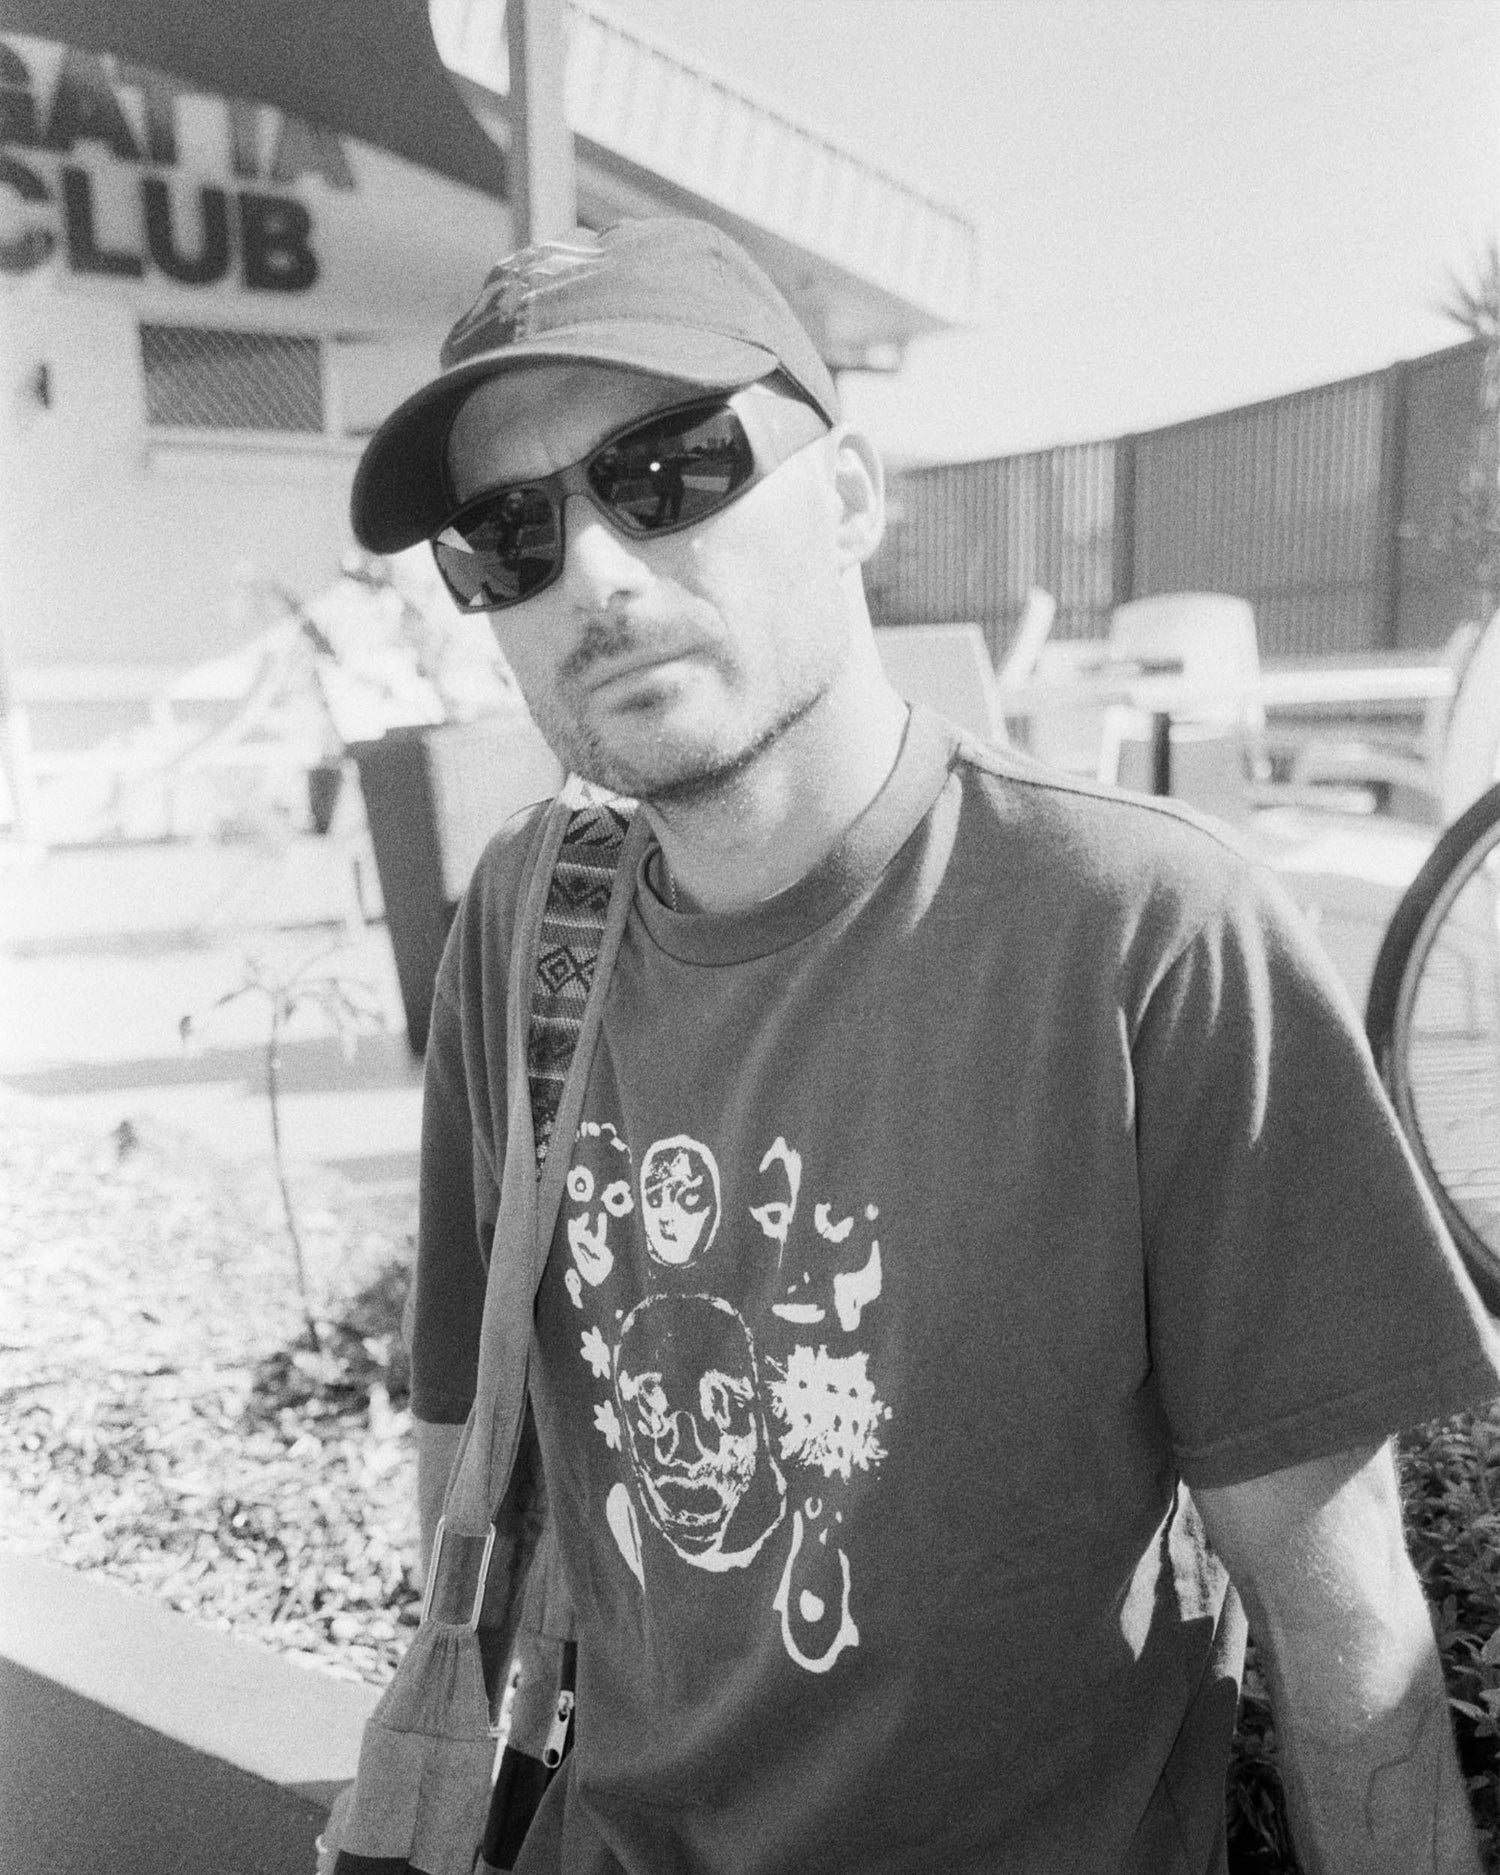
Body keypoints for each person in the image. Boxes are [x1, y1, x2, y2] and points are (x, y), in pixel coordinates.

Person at [349, 216, 1500, 1874]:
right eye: (507, 536)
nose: (592, 576)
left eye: (665, 472)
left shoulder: (1141, 931)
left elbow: (1343, 1626)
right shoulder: (526, 925)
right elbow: (465, 1445)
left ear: (850, 499)